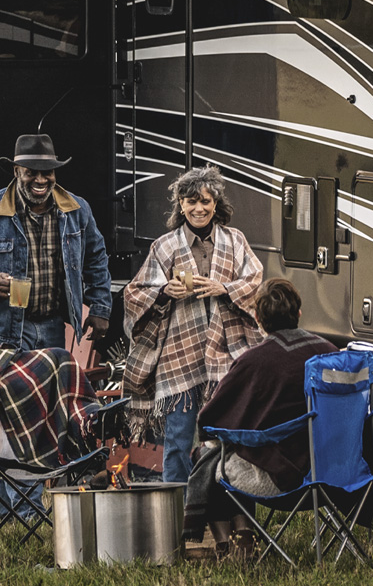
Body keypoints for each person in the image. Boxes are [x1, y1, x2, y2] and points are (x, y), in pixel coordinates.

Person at [121, 163, 267, 476]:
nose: (199, 208)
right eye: (191, 201)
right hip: (179, 358)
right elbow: (134, 294)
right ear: (181, 205)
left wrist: (224, 288)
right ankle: (178, 516)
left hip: (227, 358)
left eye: (206, 201)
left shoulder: (235, 240)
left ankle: (219, 511)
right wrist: (163, 291)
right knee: (177, 442)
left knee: (222, 442)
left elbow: (255, 280)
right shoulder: (165, 246)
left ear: (217, 203)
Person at [0, 131, 114, 356]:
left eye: (47, 172)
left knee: (47, 392)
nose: (41, 180)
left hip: (53, 327)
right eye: (31, 172)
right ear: (16, 172)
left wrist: (100, 307)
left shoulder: (76, 210)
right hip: (1, 332)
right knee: (6, 391)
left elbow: (96, 259)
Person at [197, 278, 341, 498]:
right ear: (299, 313)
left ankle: (239, 532)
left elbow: (211, 422)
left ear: (257, 318)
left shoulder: (253, 363)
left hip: (286, 479)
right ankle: (243, 533)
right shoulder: (331, 352)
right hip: (337, 472)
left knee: (209, 456)